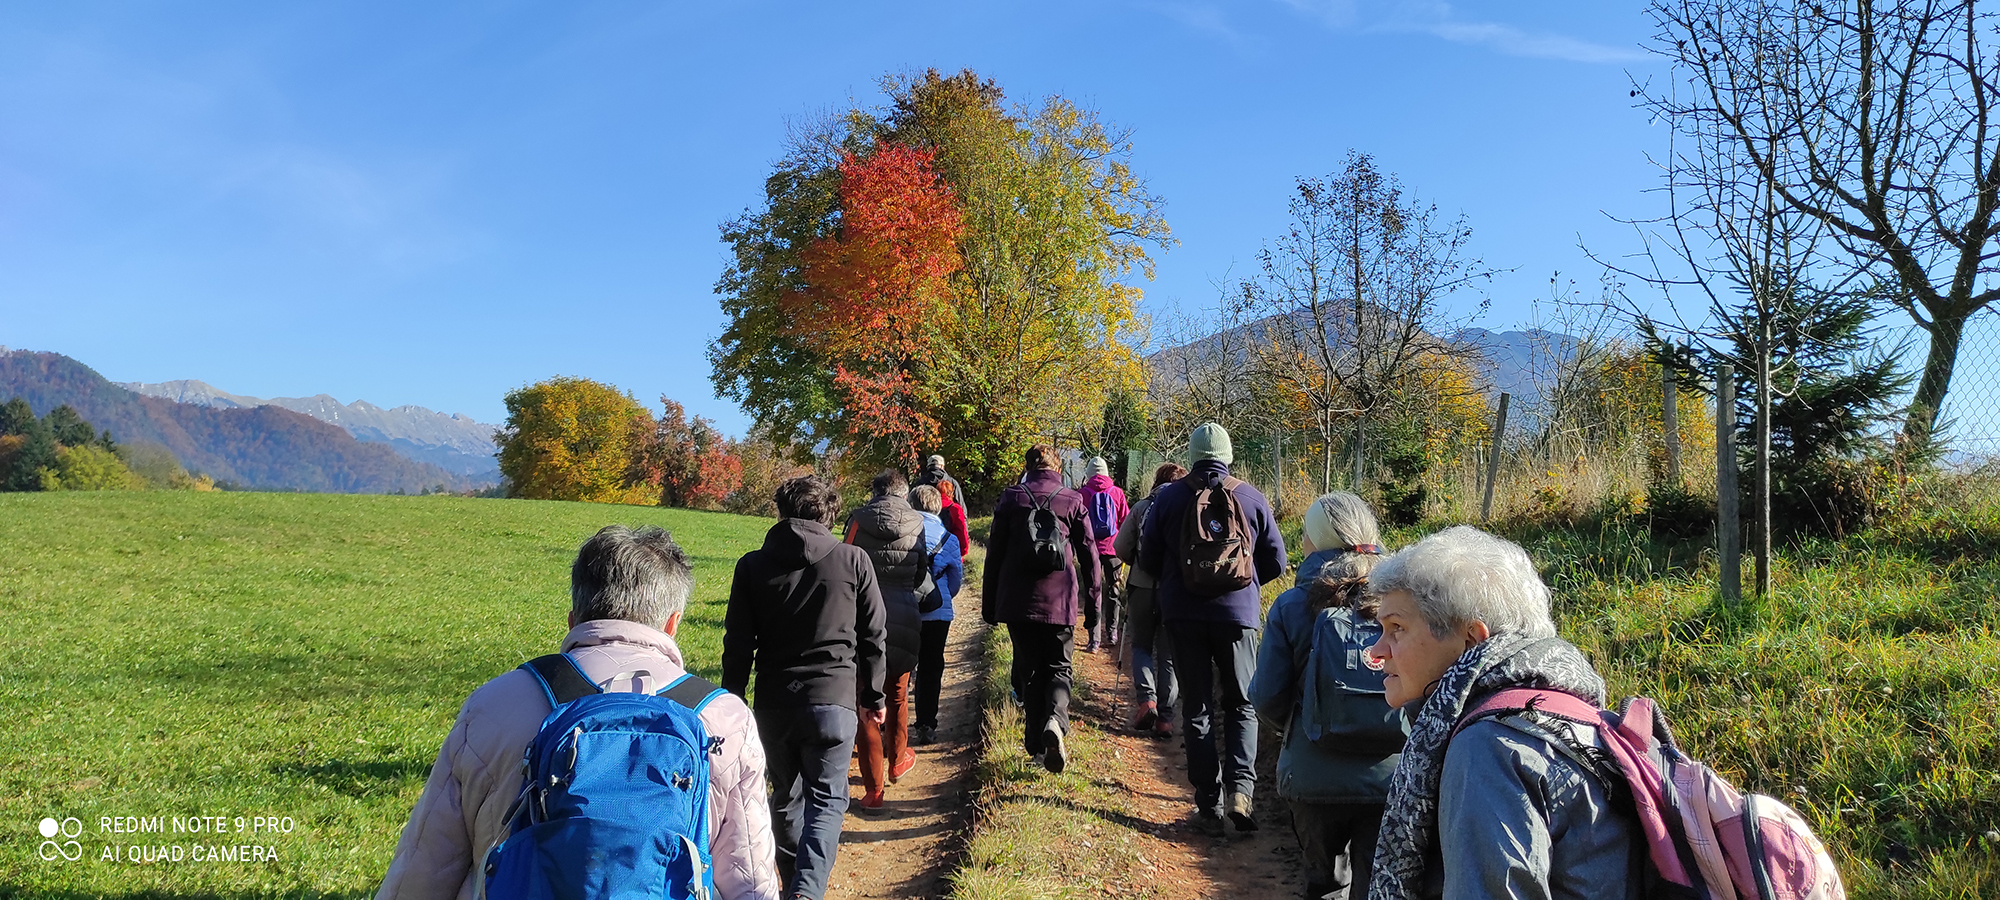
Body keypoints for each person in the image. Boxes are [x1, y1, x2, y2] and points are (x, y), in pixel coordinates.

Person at [378, 525, 780, 900]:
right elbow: (749, 878)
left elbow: (427, 861)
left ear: (574, 617)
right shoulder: (724, 718)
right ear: (671, 624)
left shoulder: (495, 702)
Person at [1363, 526, 1632, 900]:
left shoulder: (1489, 746)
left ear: (1472, 639)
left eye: (1396, 628)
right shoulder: (1566, 709)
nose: (1377, 650)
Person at [723, 476, 888, 900]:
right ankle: (807, 890)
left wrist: (733, 700)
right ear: (828, 514)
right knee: (828, 802)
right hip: (833, 701)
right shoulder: (854, 561)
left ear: (780, 511)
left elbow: (738, 644)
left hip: (774, 704)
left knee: (785, 797)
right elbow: (874, 635)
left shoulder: (751, 566)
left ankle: (795, 883)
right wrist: (873, 696)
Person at [1137, 422, 1287, 836]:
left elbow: (1147, 560)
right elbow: (1278, 559)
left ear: (1191, 456)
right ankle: (1242, 790)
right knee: (1241, 704)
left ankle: (1208, 801)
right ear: (1228, 454)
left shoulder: (1168, 498)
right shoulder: (1251, 497)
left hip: (1183, 616)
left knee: (1197, 706)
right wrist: (1244, 583)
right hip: (1238, 618)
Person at [1249, 493, 1401, 900]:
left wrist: (1300, 728)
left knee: (1326, 884)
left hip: (1313, 777)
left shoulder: (1293, 605)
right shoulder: (1402, 604)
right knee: (1379, 886)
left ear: (1316, 542)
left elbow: (1266, 697)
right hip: (1392, 778)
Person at [982, 443, 1101, 773]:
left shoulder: (1012, 497)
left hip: (1018, 602)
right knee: (1060, 668)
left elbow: (994, 555)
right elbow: (1091, 556)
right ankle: (1056, 721)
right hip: (1060, 601)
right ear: (1057, 467)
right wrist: (1094, 607)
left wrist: (989, 604)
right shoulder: (1072, 499)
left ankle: (1036, 747)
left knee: (1029, 671)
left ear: (1027, 466)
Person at [842, 470, 926, 808]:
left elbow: (843, 562)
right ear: (904, 493)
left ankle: (873, 791)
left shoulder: (858, 520)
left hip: (861, 615)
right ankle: (898, 761)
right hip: (905, 611)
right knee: (898, 694)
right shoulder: (917, 522)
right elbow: (921, 571)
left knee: (865, 700)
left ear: (875, 492)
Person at [1112, 461, 1184, 738]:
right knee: (1168, 654)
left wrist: (1137, 564)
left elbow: (1120, 548)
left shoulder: (1142, 507)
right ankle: (1165, 719)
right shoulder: (1185, 508)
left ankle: (1147, 701)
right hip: (1173, 590)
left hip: (1141, 587)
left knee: (1140, 645)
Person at [906, 484, 963, 745]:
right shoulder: (948, 539)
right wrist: (941, 597)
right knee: (931, 667)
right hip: (937, 612)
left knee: (900, 666)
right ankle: (926, 723)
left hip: (903, 609)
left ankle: (891, 723)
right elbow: (955, 581)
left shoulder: (901, 534)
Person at [1077, 455, 1130, 653]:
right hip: (1114, 549)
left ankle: (1094, 639)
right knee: (1113, 590)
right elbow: (1125, 521)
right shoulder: (1117, 493)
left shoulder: (1082, 494)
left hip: (1090, 549)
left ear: (1089, 474)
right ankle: (1113, 632)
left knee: (1093, 591)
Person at [935, 478, 973, 562]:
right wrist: (963, 551)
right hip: (952, 554)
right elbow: (961, 531)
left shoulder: (932, 507)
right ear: (951, 493)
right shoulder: (955, 509)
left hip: (933, 553)